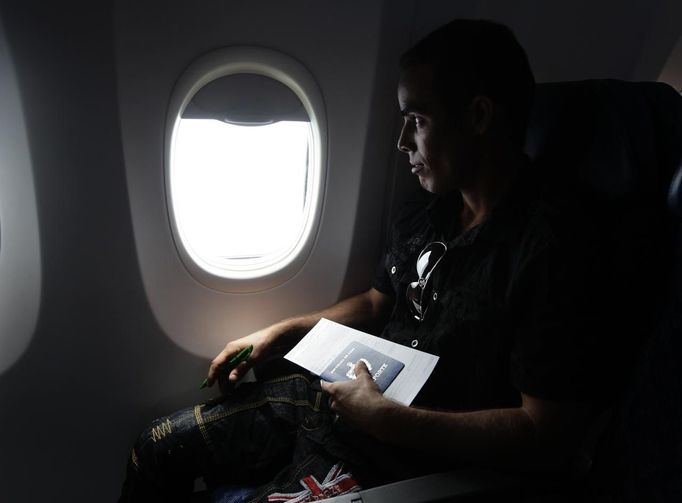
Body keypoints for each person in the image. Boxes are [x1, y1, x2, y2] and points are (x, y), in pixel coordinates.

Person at [120, 19, 608, 502]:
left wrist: (386, 419)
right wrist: (278, 334)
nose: (401, 143)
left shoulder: (553, 249)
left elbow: (545, 433)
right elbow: (377, 304)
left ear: (479, 116)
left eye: (417, 121)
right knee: (153, 450)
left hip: (404, 454)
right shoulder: (427, 212)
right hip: (338, 404)